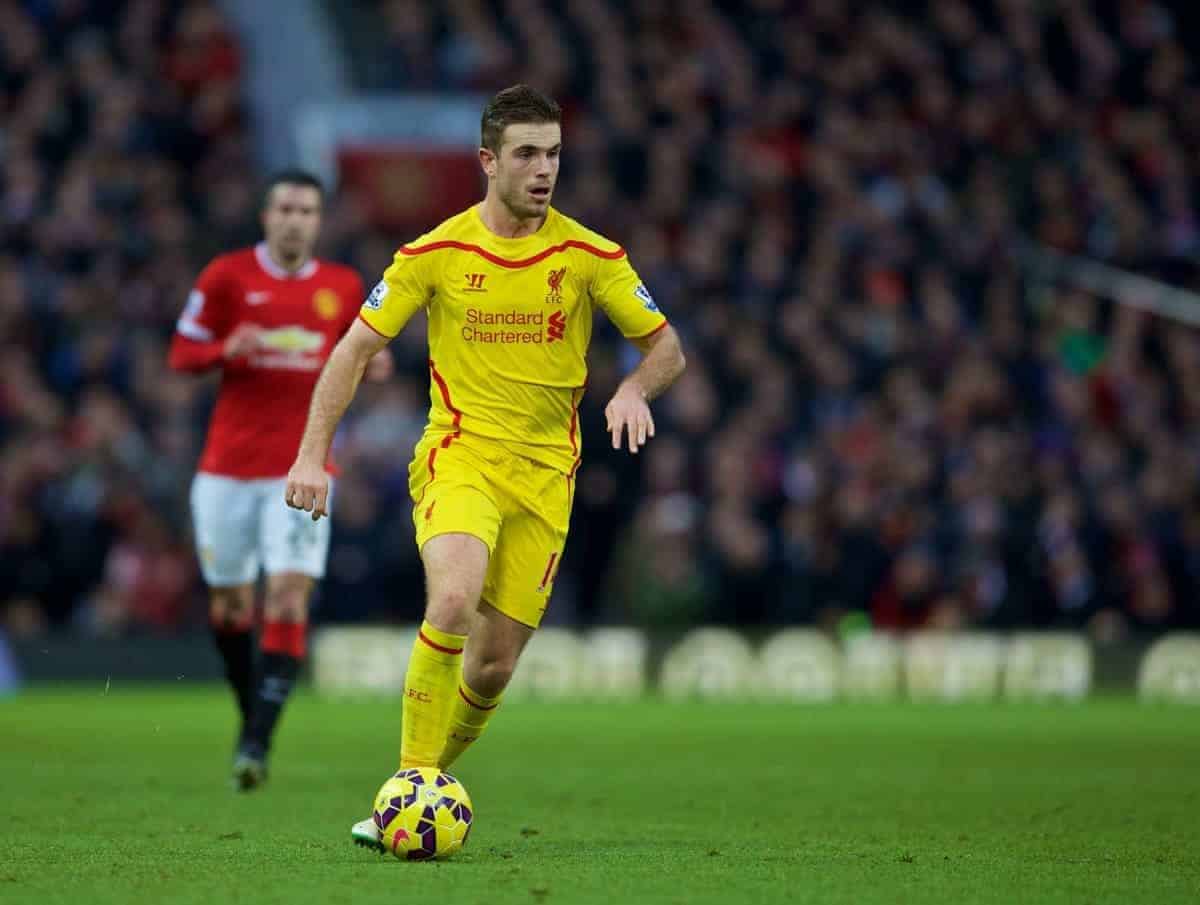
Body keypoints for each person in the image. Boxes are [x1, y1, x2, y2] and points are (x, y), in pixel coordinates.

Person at [282, 85, 686, 848]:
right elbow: (354, 348)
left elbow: (667, 345)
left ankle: (418, 783)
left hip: (546, 479)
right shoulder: (433, 254)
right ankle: (407, 788)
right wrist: (311, 455)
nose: (544, 170)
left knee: (493, 667)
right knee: (454, 599)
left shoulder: (592, 256)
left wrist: (635, 385)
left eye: (555, 154)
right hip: (457, 456)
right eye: (527, 153)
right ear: (487, 160)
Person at [168, 170, 392, 791]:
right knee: (231, 605)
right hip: (226, 471)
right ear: (266, 216)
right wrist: (222, 351)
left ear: (319, 222)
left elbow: (366, 352)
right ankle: (253, 717)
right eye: (285, 208)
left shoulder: (342, 287)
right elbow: (180, 355)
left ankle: (257, 743)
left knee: (288, 598)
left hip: (303, 467)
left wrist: (376, 365)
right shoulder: (226, 276)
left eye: (307, 211)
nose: (295, 219)